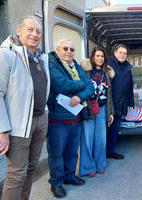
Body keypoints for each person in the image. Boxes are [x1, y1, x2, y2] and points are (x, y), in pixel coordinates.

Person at [0, 16, 50, 200]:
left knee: (31, 169)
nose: (34, 34)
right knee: (16, 174)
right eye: (30, 29)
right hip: (17, 127)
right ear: (19, 30)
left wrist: (45, 113)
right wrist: (2, 130)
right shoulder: (4, 55)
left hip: (40, 121)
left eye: (38, 31)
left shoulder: (41, 58)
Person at [46, 39, 94, 198]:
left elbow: (91, 87)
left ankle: (69, 176)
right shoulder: (52, 63)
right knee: (56, 153)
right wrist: (82, 84)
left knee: (73, 151)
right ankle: (56, 183)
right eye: (65, 48)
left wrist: (80, 97)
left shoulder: (76, 66)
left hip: (76, 116)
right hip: (57, 119)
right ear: (58, 50)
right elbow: (61, 85)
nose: (68, 52)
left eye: (72, 49)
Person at [79, 47, 115, 177]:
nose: (100, 58)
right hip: (89, 108)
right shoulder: (85, 72)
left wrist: (111, 112)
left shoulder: (107, 73)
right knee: (87, 139)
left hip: (103, 109)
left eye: (102, 56)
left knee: (101, 139)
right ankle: (88, 167)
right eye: (97, 56)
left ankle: (100, 164)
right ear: (92, 57)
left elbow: (109, 94)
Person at [106, 44, 134, 159]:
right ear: (115, 53)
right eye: (120, 52)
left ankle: (110, 152)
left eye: (125, 53)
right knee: (105, 130)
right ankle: (101, 153)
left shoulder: (127, 67)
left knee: (114, 129)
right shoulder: (108, 65)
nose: (123, 55)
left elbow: (130, 85)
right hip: (109, 103)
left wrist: (131, 102)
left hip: (121, 102)